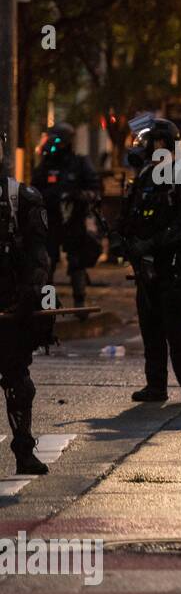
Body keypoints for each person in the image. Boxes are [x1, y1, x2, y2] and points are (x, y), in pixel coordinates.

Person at [111, 118, 181, 404]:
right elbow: (126, 216)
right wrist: (120, 241)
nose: (142, 148)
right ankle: (156, 385)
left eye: (148, 142)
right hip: (146, 267)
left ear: (161, 143)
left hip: (174, 265)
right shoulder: (143, 177)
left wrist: (151, 244)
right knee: (150, 326)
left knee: (174, 326)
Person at [1, 139, 53, 475]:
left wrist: (31, 292)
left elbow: (39, 253)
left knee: (18, 382)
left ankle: (24, 450)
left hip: (10, 304)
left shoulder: (21, 197)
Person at [33, 122, 102, 311]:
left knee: (77, 263)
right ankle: (47, 303)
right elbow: (34, 190)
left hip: (74, 220)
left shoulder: (79, 163)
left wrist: (77, 196)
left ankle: (79, 301)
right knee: (47, 262)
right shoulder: (45, 166)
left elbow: (94, 190)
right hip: (51, 220)